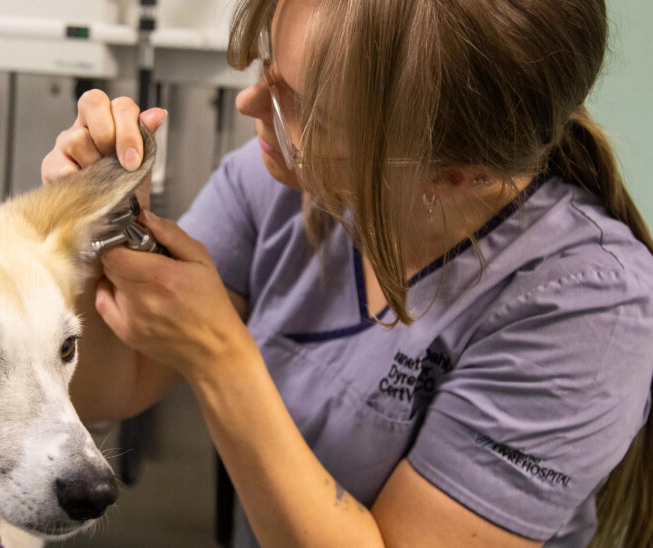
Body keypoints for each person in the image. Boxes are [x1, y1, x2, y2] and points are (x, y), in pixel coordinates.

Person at [40, 0, 653, 546]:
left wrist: (219, 356)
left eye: (299, 108)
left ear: (452, 174)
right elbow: (108, 388)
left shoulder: (587, 309)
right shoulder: (275, 183)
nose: (249, 103)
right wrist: (95, 236)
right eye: (267, 68)